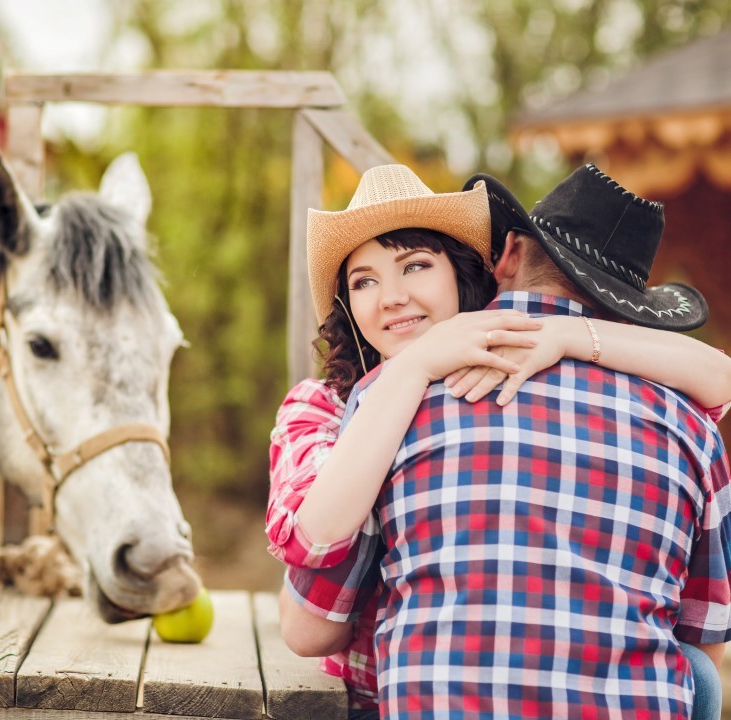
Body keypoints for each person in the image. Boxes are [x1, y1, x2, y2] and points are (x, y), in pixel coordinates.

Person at [268, 163, 731, 719]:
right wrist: (415, 366)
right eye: (363, 281)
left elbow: (720, 376)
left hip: (419, 689)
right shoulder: (331, 405)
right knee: (696, 672)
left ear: (480, 269)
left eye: (415, 265)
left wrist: (567, 336)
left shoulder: (468, 381)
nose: (390, 297)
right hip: (369, 675)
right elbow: (311, 577)